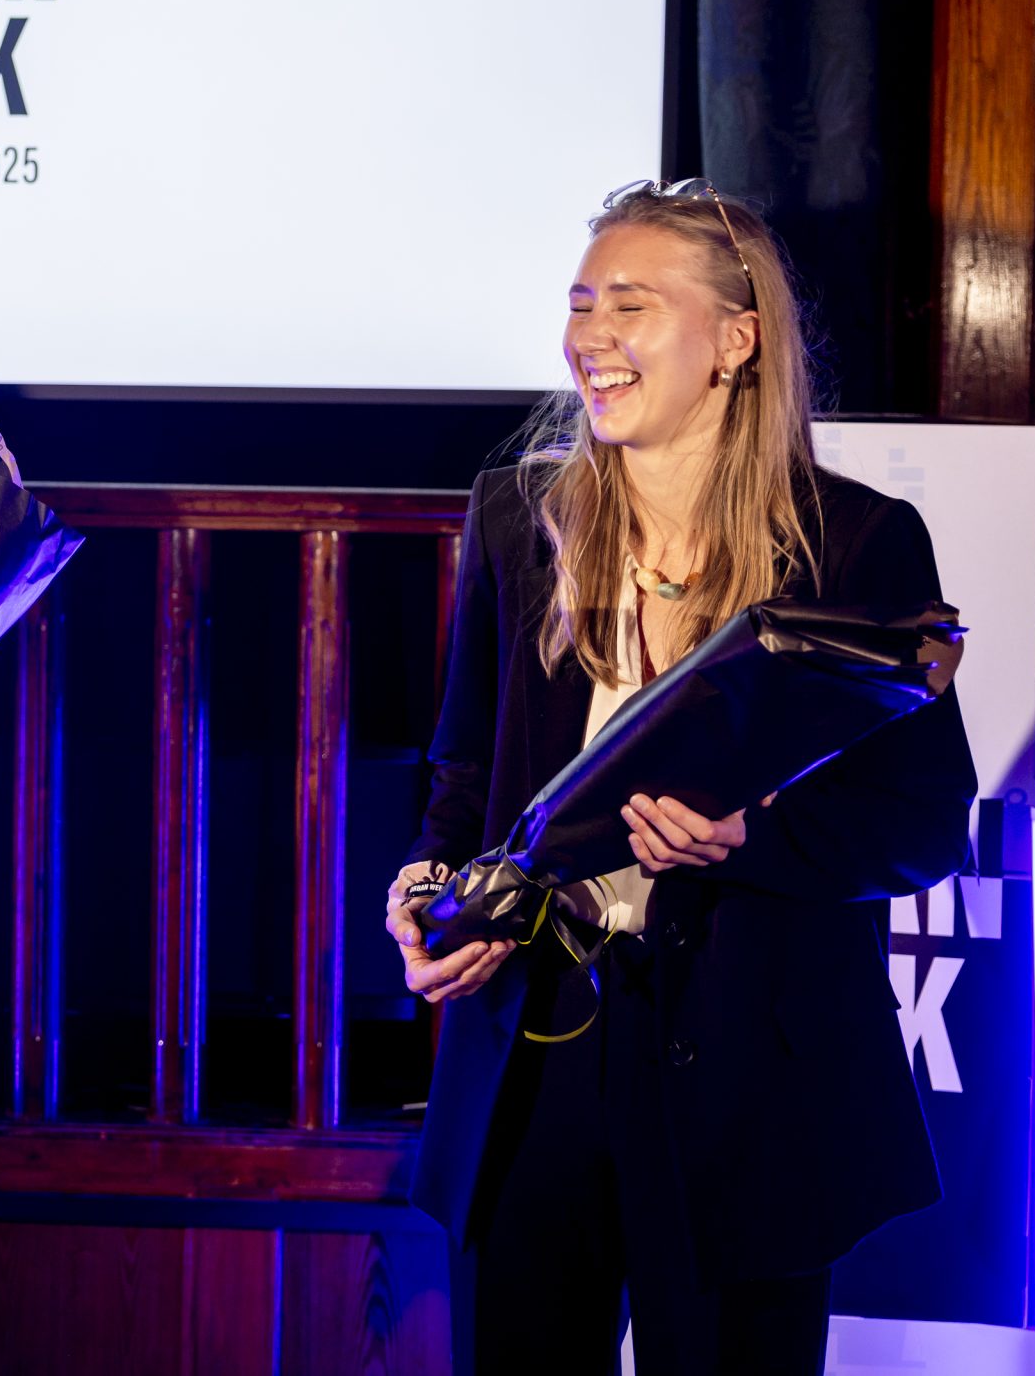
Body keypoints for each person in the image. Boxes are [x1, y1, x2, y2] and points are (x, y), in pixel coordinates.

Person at [383, 181, 976, 1375]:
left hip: (750, 1070)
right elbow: (463, 770)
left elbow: (920, 825)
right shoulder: (515, 517)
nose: (590, 335)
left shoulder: (856, 541)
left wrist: (750, 836)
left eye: (630, 303)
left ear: (734, 339)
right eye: (580, 303)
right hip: (536, 1049)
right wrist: (426, 885)